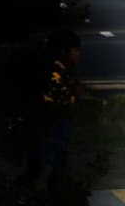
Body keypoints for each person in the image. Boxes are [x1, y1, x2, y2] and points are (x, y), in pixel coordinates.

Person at [20, 30, 81, 187]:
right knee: (46, 167)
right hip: (50, 128)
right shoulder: (54, 74)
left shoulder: (58, 71)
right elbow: (55, 102)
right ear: (63, 52)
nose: (78, 55)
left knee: (44, 167)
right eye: (76, 50)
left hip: (51, 128)